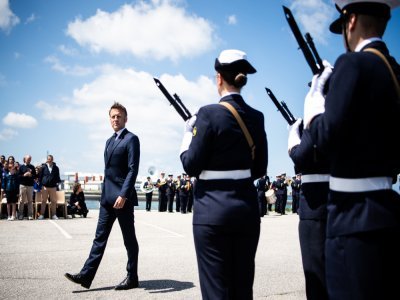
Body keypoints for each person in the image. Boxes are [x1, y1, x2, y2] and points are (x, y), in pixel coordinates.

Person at [302, 1, 400, 298]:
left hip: (351, 216)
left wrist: (315, 104)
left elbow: (325, 137)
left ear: (352, 20)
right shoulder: (395, 70)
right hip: (387, 209)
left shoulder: (352, 63)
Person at [180, 49, 268, 299]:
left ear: (219, 77)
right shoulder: (257, 117)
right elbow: (260, 168)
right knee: (242, 289)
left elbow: (190, 165)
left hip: (212, 212)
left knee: (216, 290)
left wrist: (188, 134)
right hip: (246, 210)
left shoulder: (208, 113)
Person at [65, 101, 140, 290]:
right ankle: (86, 276)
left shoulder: (131, 139)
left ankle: (132, 277)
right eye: (113, 116)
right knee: (99, 238)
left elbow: (133, 170)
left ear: (125, 119)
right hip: (107, 199)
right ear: (110, 119)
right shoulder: (109, 141)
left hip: (122, 199)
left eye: (119, 116)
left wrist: (123, 195)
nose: (115, 119)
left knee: (129, 239)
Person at [288, 120, 330, 300]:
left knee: (316, 277)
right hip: (347, 200)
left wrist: (293, 138)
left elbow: (301, 158)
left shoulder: (317, 119)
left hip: (315, 204)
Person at [38, 155, 61, 220]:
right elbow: (40, 176)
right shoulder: (43, 167)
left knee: (53, 201)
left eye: (50, 159)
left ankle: (54, 215)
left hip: (53, 187)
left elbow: (57, 176)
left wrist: (57, 183)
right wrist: (40, 185)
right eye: (48, 159)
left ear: (52, 159)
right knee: (43, 201)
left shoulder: (56, 168)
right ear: (47, 159)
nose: (49, 160)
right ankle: (42, 215)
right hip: (45, 186)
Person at [17, 155, 36, 220]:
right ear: (24, 159)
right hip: (23, 185)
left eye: (30, 159)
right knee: (21, 201)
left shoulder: (32, 167)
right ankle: (20, 215)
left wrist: (31, 175)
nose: (29, 160)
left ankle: (30, 215)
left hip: (30, 186)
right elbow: (18, 176)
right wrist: (24, 175)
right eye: (28, 159)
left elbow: (35, 176)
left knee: (30, 201)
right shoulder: (21, 167)